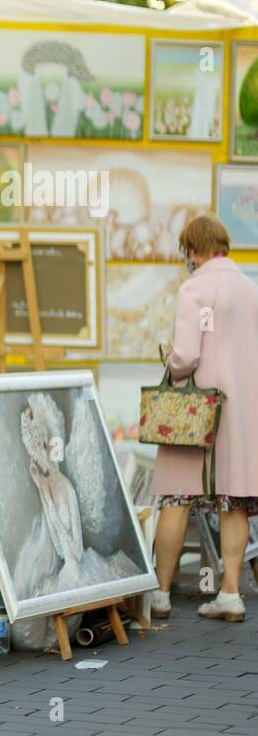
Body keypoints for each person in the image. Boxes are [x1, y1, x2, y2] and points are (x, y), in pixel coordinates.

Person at [150, 215, 258, 622]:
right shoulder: (251, 290)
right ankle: (230, 593)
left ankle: (160, 595)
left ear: (193, 249)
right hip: (242, 413)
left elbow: (187, 356)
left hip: (194, 413)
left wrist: (171, 365)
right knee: (235, 502)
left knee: (177, 498)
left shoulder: (193, 289)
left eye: (187, 251)